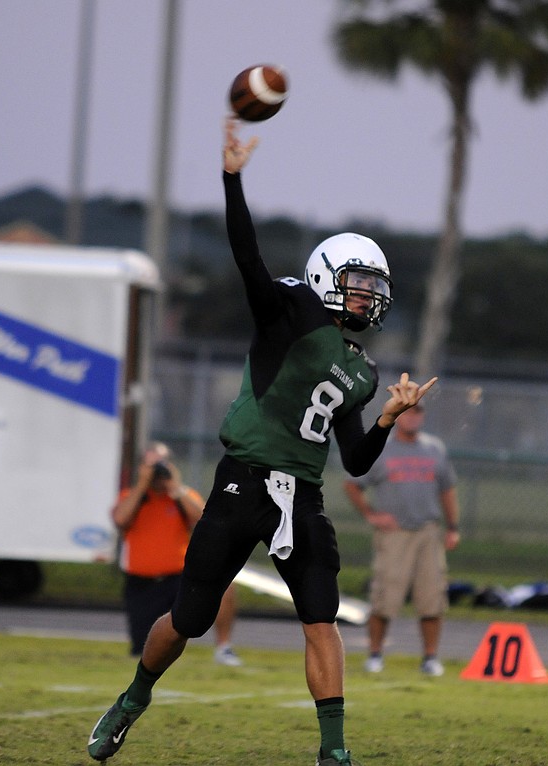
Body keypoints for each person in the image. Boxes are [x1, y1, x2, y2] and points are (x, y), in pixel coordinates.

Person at [86, 115, 437, 766]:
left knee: (320, 618)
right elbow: (247, 256)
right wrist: (232, 178)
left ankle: (333, 751)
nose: (369, 297)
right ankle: (133, 699)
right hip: (242, 480)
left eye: (375, 289)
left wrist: (387, 418)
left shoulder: (362, 368)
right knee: (188, 619)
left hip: (300, 495)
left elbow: (355, 462)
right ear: (329, 277)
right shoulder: (289, 312)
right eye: (360, 284)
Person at [344, 403, 460, 677]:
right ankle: (375, 654)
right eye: (407, 411)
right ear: (398, 416)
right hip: (394, 534)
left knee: (432, 597)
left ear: (423, 415)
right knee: (385, 596)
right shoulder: (382, 448)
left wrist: (453, 527)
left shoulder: (434, 448)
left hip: (427, 532)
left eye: (418, 411)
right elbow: (352, 484)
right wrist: (371, 514)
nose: (413, 416)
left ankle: (430, 658)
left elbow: (447, 490)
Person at [112, 442, 242, 666]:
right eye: (151, 465)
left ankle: (223, 647)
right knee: (143, 650)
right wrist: (143, 484)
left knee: (225, 586)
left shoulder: (181, 495)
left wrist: (176, 487)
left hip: (178, 579)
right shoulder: (132, 496)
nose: (157, 472)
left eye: (161, 464)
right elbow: (120, 519)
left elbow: (204, 520)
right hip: (142, 584)